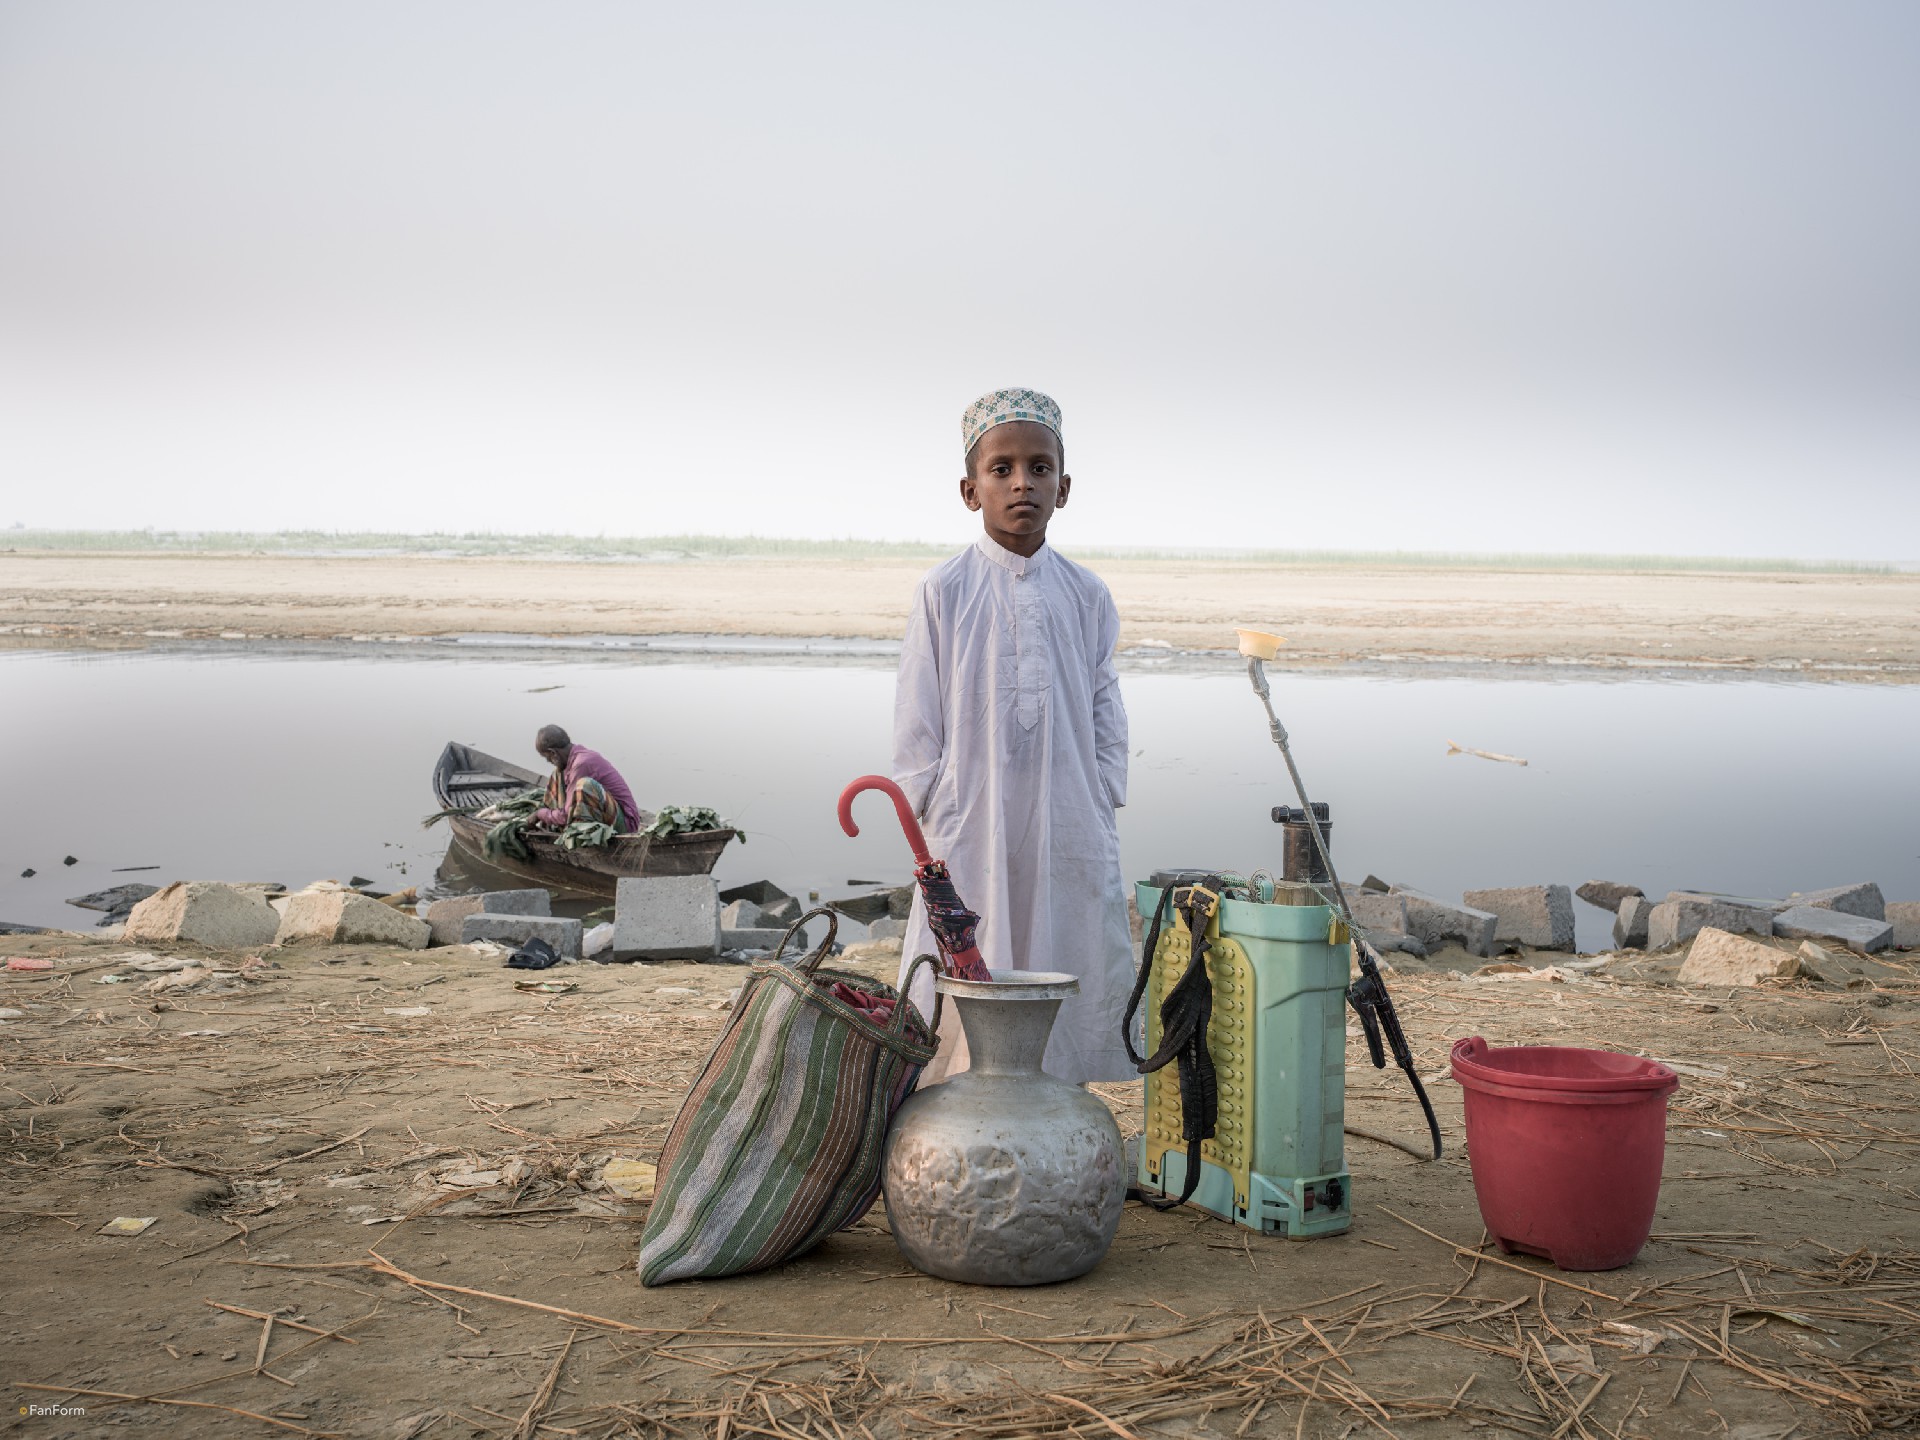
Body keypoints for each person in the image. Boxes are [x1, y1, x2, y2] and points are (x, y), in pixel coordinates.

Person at [892, 388, 1133, 1086]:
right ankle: (951, 1098)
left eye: (1039, 468)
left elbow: (1104, 700)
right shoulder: (944, 590)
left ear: (1064, 488)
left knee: (1067, 937)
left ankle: (1055, 1096)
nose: (1022, 482)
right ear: (971, 491)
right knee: (966, 944)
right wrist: (925, 806)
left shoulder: (1086, 594)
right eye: (1002, 469)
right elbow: (917, 710)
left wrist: (1103, 792)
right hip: (969, 811)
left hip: (1067, 810)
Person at [532, 725, 641, 834]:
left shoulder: (581, 763)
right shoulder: (572, 760)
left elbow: (566, 815)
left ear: (553, 753)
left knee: (585, 785)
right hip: (608, 815)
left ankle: (572, 829)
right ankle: (554, 826)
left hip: (626, 824)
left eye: (547, 758)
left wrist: (539, 814)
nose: (548, 761)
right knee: (558, 774)